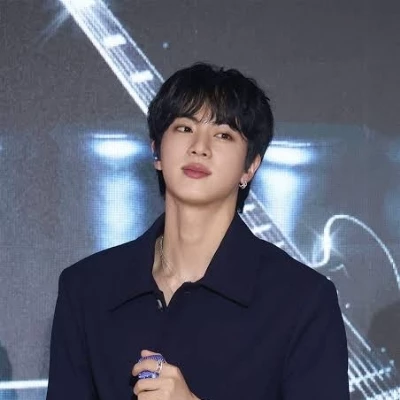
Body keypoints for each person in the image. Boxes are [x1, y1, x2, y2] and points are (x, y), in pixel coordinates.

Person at [46, 63, 350, 400]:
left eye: (223, 134)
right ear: (156, 150)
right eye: (184, 127)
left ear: (250, 166)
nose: (199, 147)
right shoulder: (86, 288)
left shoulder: (302, 300)